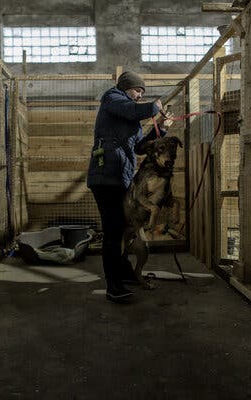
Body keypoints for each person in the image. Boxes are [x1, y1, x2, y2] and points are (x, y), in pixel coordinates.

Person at [87, 70, 172, 303]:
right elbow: (134, 110)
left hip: (120, 179)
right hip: (105, 177)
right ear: (125, 87)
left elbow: (140, 147)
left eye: (143, 92)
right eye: (137, 90)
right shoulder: (112, 98)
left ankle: (123, 274)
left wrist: (162, 127)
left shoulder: (130, 118)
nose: (140, 96)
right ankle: (113, 287)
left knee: (123, 228)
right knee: (113, 231)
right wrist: (154, 106)